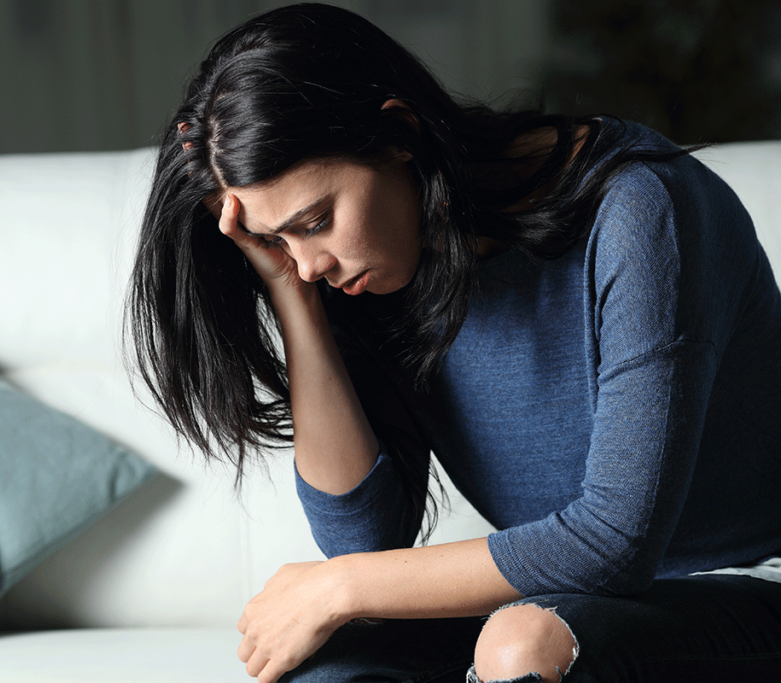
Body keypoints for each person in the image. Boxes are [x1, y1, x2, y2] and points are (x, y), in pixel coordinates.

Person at [127, 4, 781, 682]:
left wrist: (338, 586)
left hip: (750, 589)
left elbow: (615, 543)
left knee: (520, 645)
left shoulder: (641, 208)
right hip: (564, 603)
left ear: (398, 133)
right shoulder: (369, 269)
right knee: (327, 663)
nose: (309, 260)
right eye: (275, 238)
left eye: (316, 220)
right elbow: (365, 536)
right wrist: (294, 300)